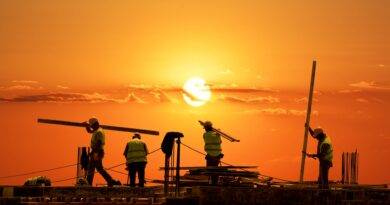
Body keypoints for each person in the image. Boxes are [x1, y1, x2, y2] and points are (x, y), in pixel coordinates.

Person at [84, 117, 121, 187]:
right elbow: (89, 131)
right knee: (97, 168)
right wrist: (86, 126)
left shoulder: (99, 132)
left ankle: (89, 184)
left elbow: (99, 143)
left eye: (91, 125)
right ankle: (110, 181)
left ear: (95, 124)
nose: (91, 126)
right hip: (96, 151)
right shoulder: (97, 130)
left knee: (92, 168)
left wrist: (93, 152)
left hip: (97, 152)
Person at [304, 123, 333, 189]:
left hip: (326, 162)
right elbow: (313, 135)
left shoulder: (325, 143)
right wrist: (308, 128)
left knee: (324, 178)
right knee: (320, 178)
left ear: (320, 135)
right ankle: (321, 190)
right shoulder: (322, 138)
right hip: (323, 161)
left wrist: (312, 155)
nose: (316, 138)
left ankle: (325, 192)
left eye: (317, 137)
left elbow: (322, 154)